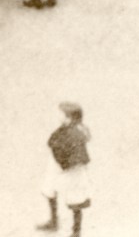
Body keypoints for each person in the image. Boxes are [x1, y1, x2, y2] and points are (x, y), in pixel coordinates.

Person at [37, 102, 91, 237]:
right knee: (49, 187)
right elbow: (53, 142)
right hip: (57, 163)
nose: (58, 116)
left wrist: (67, 164)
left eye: (61, 114)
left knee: (75, 197)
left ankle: (76, 231)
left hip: (72, 168)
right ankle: (54, 221)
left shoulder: (76, 133)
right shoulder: (63, 128)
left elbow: (79, 157)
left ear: (69, 117)